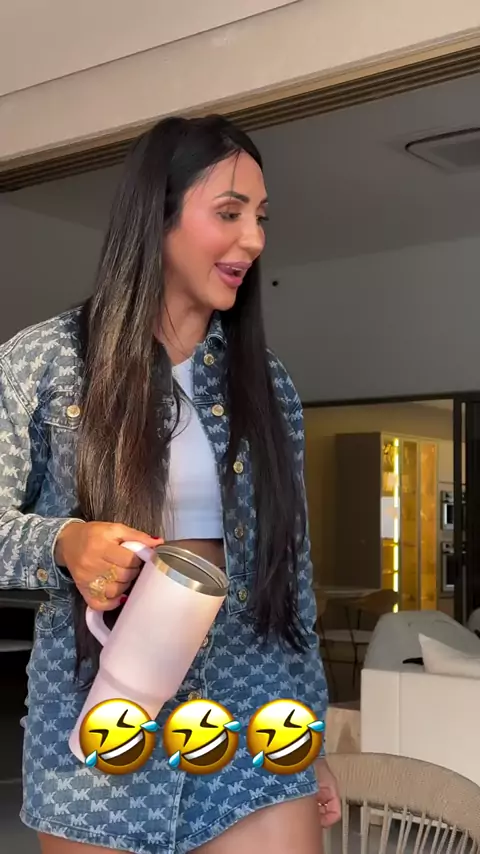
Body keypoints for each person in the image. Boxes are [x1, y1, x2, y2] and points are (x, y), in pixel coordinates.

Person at [0, 115, 340, 853]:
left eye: (260, 218)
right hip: (102, 707)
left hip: (252, 709)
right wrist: (65, 544)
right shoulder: (44, 363)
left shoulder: (268, 385)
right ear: (157, 217)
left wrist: (309, 734)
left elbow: (292, 577)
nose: (254, 239)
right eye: (229, 212)